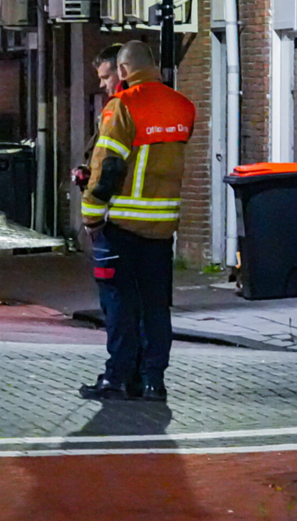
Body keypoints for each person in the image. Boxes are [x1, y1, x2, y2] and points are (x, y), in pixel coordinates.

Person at [79, 40, 196, 402]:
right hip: (162, 228)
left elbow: (110, 166)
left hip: (121, 227)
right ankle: (152, 380)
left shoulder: (123, 106)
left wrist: (92, 215)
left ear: (125, 70)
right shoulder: (183, 107)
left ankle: (117, 377)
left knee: (119, 303)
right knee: (156, 305)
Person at [71, 44, 124, 190]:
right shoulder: (113, 107)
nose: (101, 85)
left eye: (106, 77)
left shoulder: (123, 109)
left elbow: (108, 157)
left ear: (122, 72)